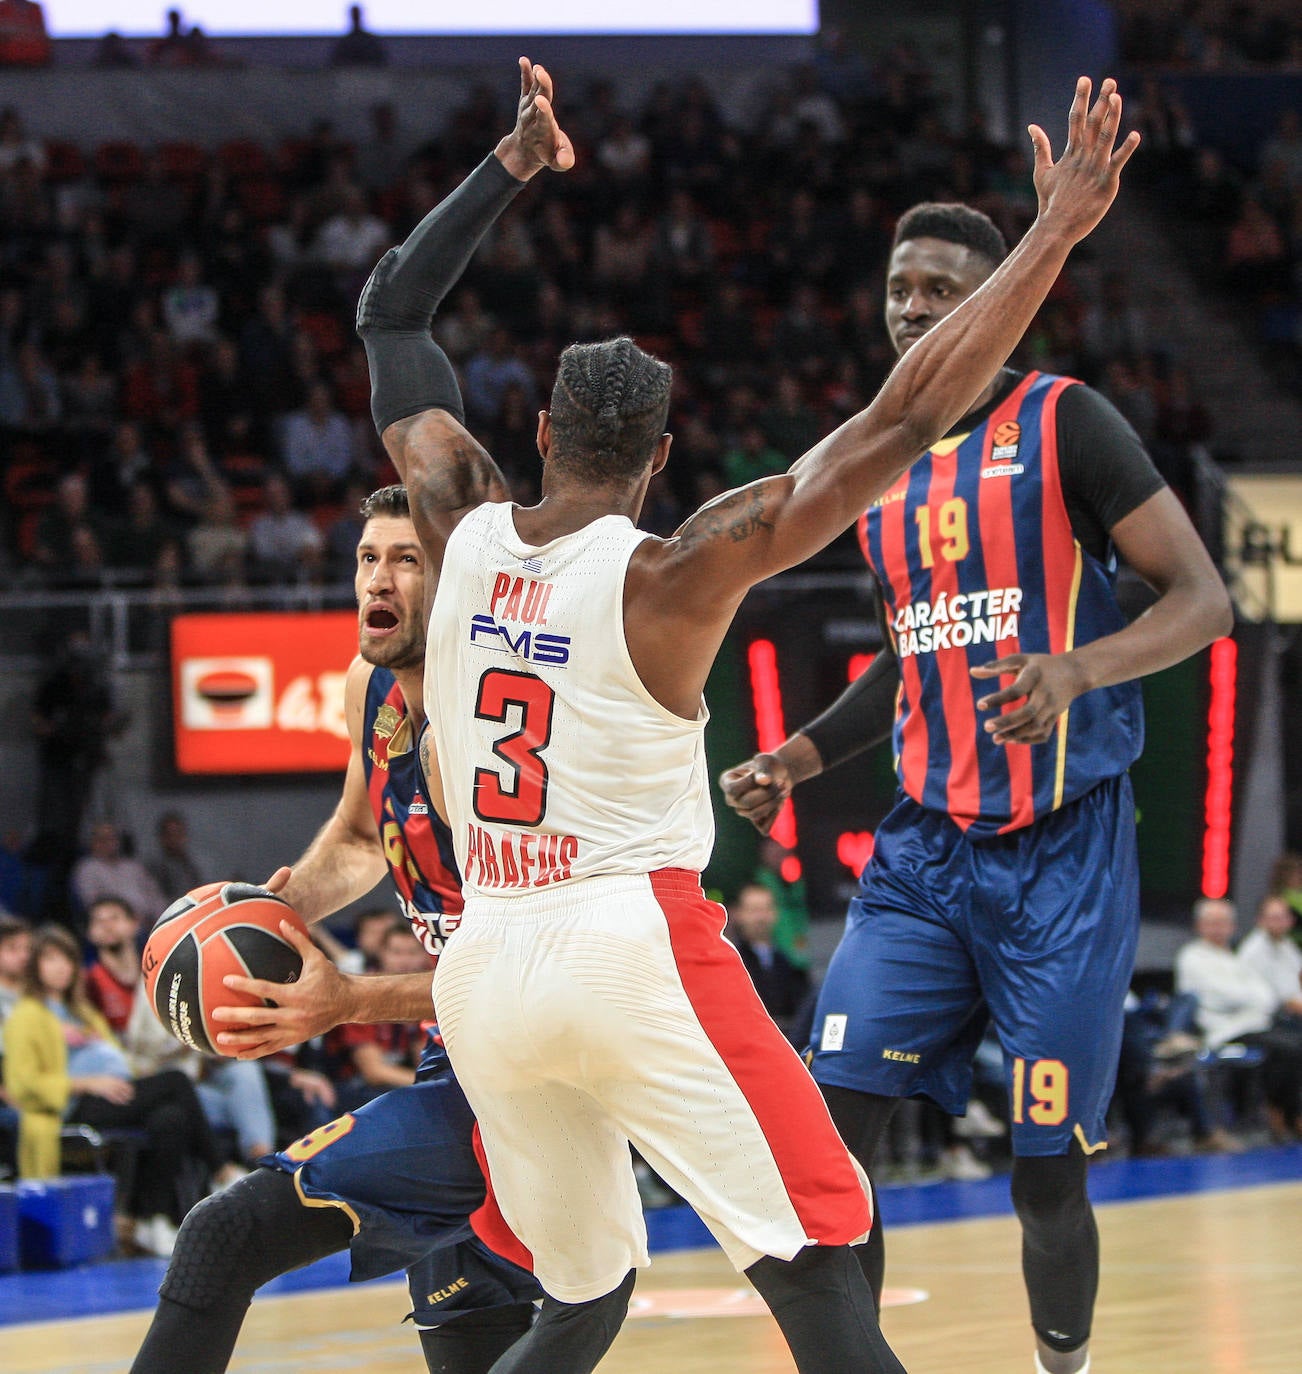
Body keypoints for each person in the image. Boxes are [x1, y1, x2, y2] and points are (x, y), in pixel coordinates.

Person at [350, 58, 1139, 1374]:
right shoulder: (675, 569)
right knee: (822, 1264)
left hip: (485, 966)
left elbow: (390, 315)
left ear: (538, 428)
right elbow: (907, 412)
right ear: (662, 460)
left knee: (579, 1299)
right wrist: (1053, 230)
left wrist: (511, 164)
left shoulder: (457, 519)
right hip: (626, 944)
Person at [719, 190, 1232, 1373]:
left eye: (940, 291)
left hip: (1062, 853)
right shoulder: (875, 461)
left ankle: (1065, 1367)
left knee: (1045, 1176)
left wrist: (1077, 668)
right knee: (829, 1141)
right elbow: (914, 651)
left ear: (997, 305)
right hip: (923, 854)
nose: (911, 310)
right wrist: (800, 755)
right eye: (900, 289)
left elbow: (1205, 600)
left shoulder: (1067, 422)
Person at [129, 484, 541, 1374]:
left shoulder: (501, 722)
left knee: (223, 1234)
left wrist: (347, 1000)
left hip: (535, 1061)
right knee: (474, 1342)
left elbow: (534, 965)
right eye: (367, 558)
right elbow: (359, 835)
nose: (378, 580)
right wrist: (268, 917)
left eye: (407, 559)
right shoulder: (372, 688)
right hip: (457, 1045)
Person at [2, 924, 226, 1255]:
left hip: (115, 1095)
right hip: (71, 1105)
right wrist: (87, 1083)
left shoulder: (85, 1012)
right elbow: (23, 1084)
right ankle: (221, 1169)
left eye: (67, 958)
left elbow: (120, 1062)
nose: (60, 966)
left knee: (171, 1118)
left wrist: (128, 1076)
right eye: (50, 958)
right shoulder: (26, 1015)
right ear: (35, 966)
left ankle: (153, 1221)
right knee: (176, 1082)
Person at [1175, 898, 1302, 1141]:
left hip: (1255, 1023)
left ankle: (1288, 1111)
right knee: (1289, 1048)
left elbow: (1265, 996)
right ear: (1199, 925)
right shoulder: (1191, 957)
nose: (1218, 928)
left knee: (1296, 1041)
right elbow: (1220, 996)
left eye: (1224, 922)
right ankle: (1281, 1112)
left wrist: (1250, 998)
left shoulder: (1233, 957)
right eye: (1212, 922)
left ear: (1232, 926)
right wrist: (1250, 997)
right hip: (1224, 1029)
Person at [725, 882, 810, 1042]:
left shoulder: (788, 964)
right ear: (739, 914)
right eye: (753, 910)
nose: (760, 918)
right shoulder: (730, 962)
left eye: (765, 909)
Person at [1237, 894, 1302, 1015]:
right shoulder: (1253, 950)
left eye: (1284, 917)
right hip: (1273, 1017)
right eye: (1275, 918)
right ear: (1260, 920)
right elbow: (1285, 1000)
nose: (1280, 922)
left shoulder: (1287, 944)